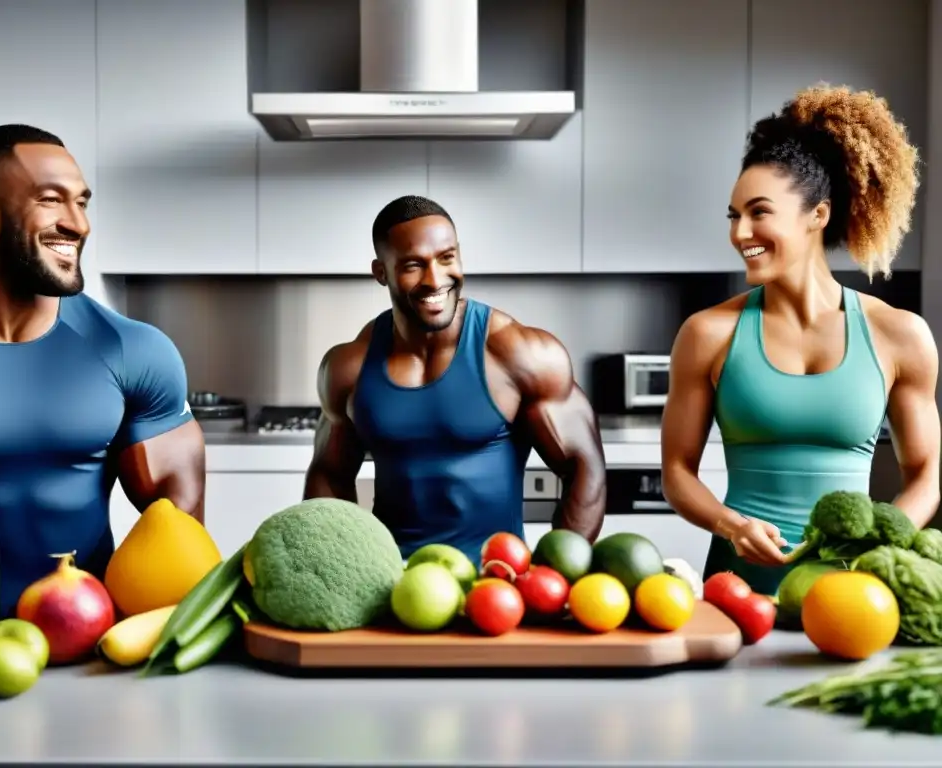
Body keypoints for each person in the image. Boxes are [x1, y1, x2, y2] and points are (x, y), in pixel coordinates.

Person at [661, 84, 940, 595]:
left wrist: (883, 549)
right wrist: (732, 525)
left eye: (759, 212)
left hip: (853, 593)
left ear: (819, 214)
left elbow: (924, 475)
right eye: (733, 215)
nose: (740, 232)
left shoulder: (900, 335)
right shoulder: (707, 334)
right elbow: (677, 472)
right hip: (738, 590)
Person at [0, 124, 204, 618]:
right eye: (52, 200)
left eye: (83, 203)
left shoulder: (133, 351)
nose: (79, 224)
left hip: (86, 644)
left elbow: (179, 539)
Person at [303, 195, 607, 564]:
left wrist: (555, 573)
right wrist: (343, 569)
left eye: (446, 258)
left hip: (495, 586)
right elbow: (330, 477)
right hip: (390, 585)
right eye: (413, 265)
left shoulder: (518, 353)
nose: (435, 279)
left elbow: (584, 466)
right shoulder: (349, 367)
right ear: (381, 272)